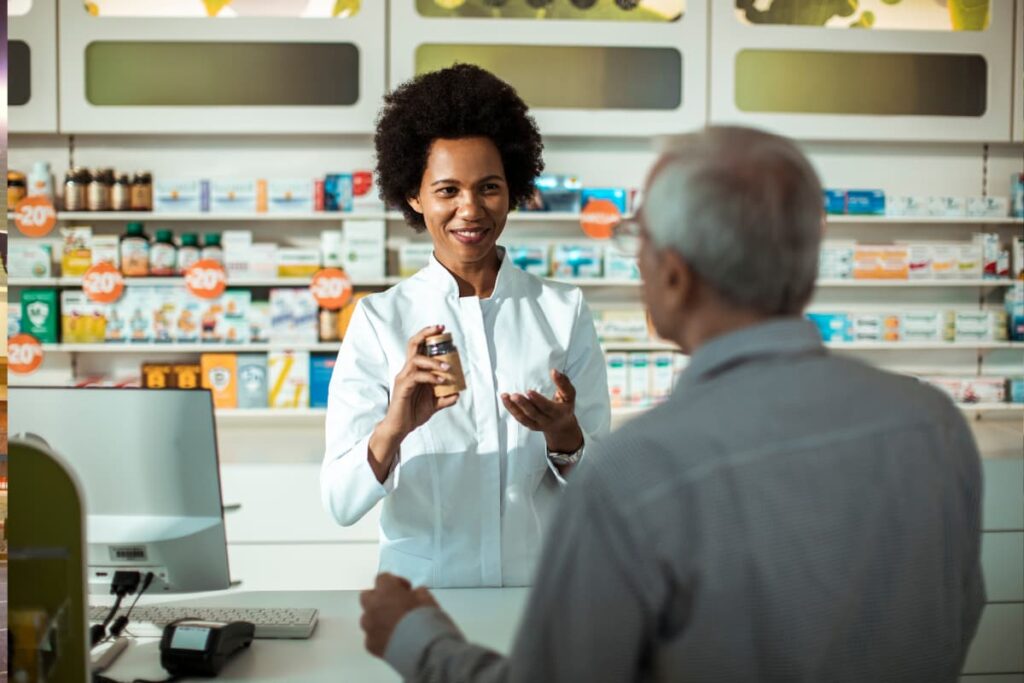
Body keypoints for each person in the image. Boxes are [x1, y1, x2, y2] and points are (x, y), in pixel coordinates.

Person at [357, 126, 985, 681]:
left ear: (675, 275)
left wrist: (419, 642)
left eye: (640, 239)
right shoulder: (932, 425)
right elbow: (960, 610)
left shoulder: (639, 472)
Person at [321, 64, 611, 589]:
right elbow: (341, 502)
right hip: (422, 601)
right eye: (447, 190)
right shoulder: (379, 321)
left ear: (514, 189)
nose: (470, 210)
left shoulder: (562, 311)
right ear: (414, 195)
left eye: (489, 187)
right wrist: (394, 428)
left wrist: (566, 439)